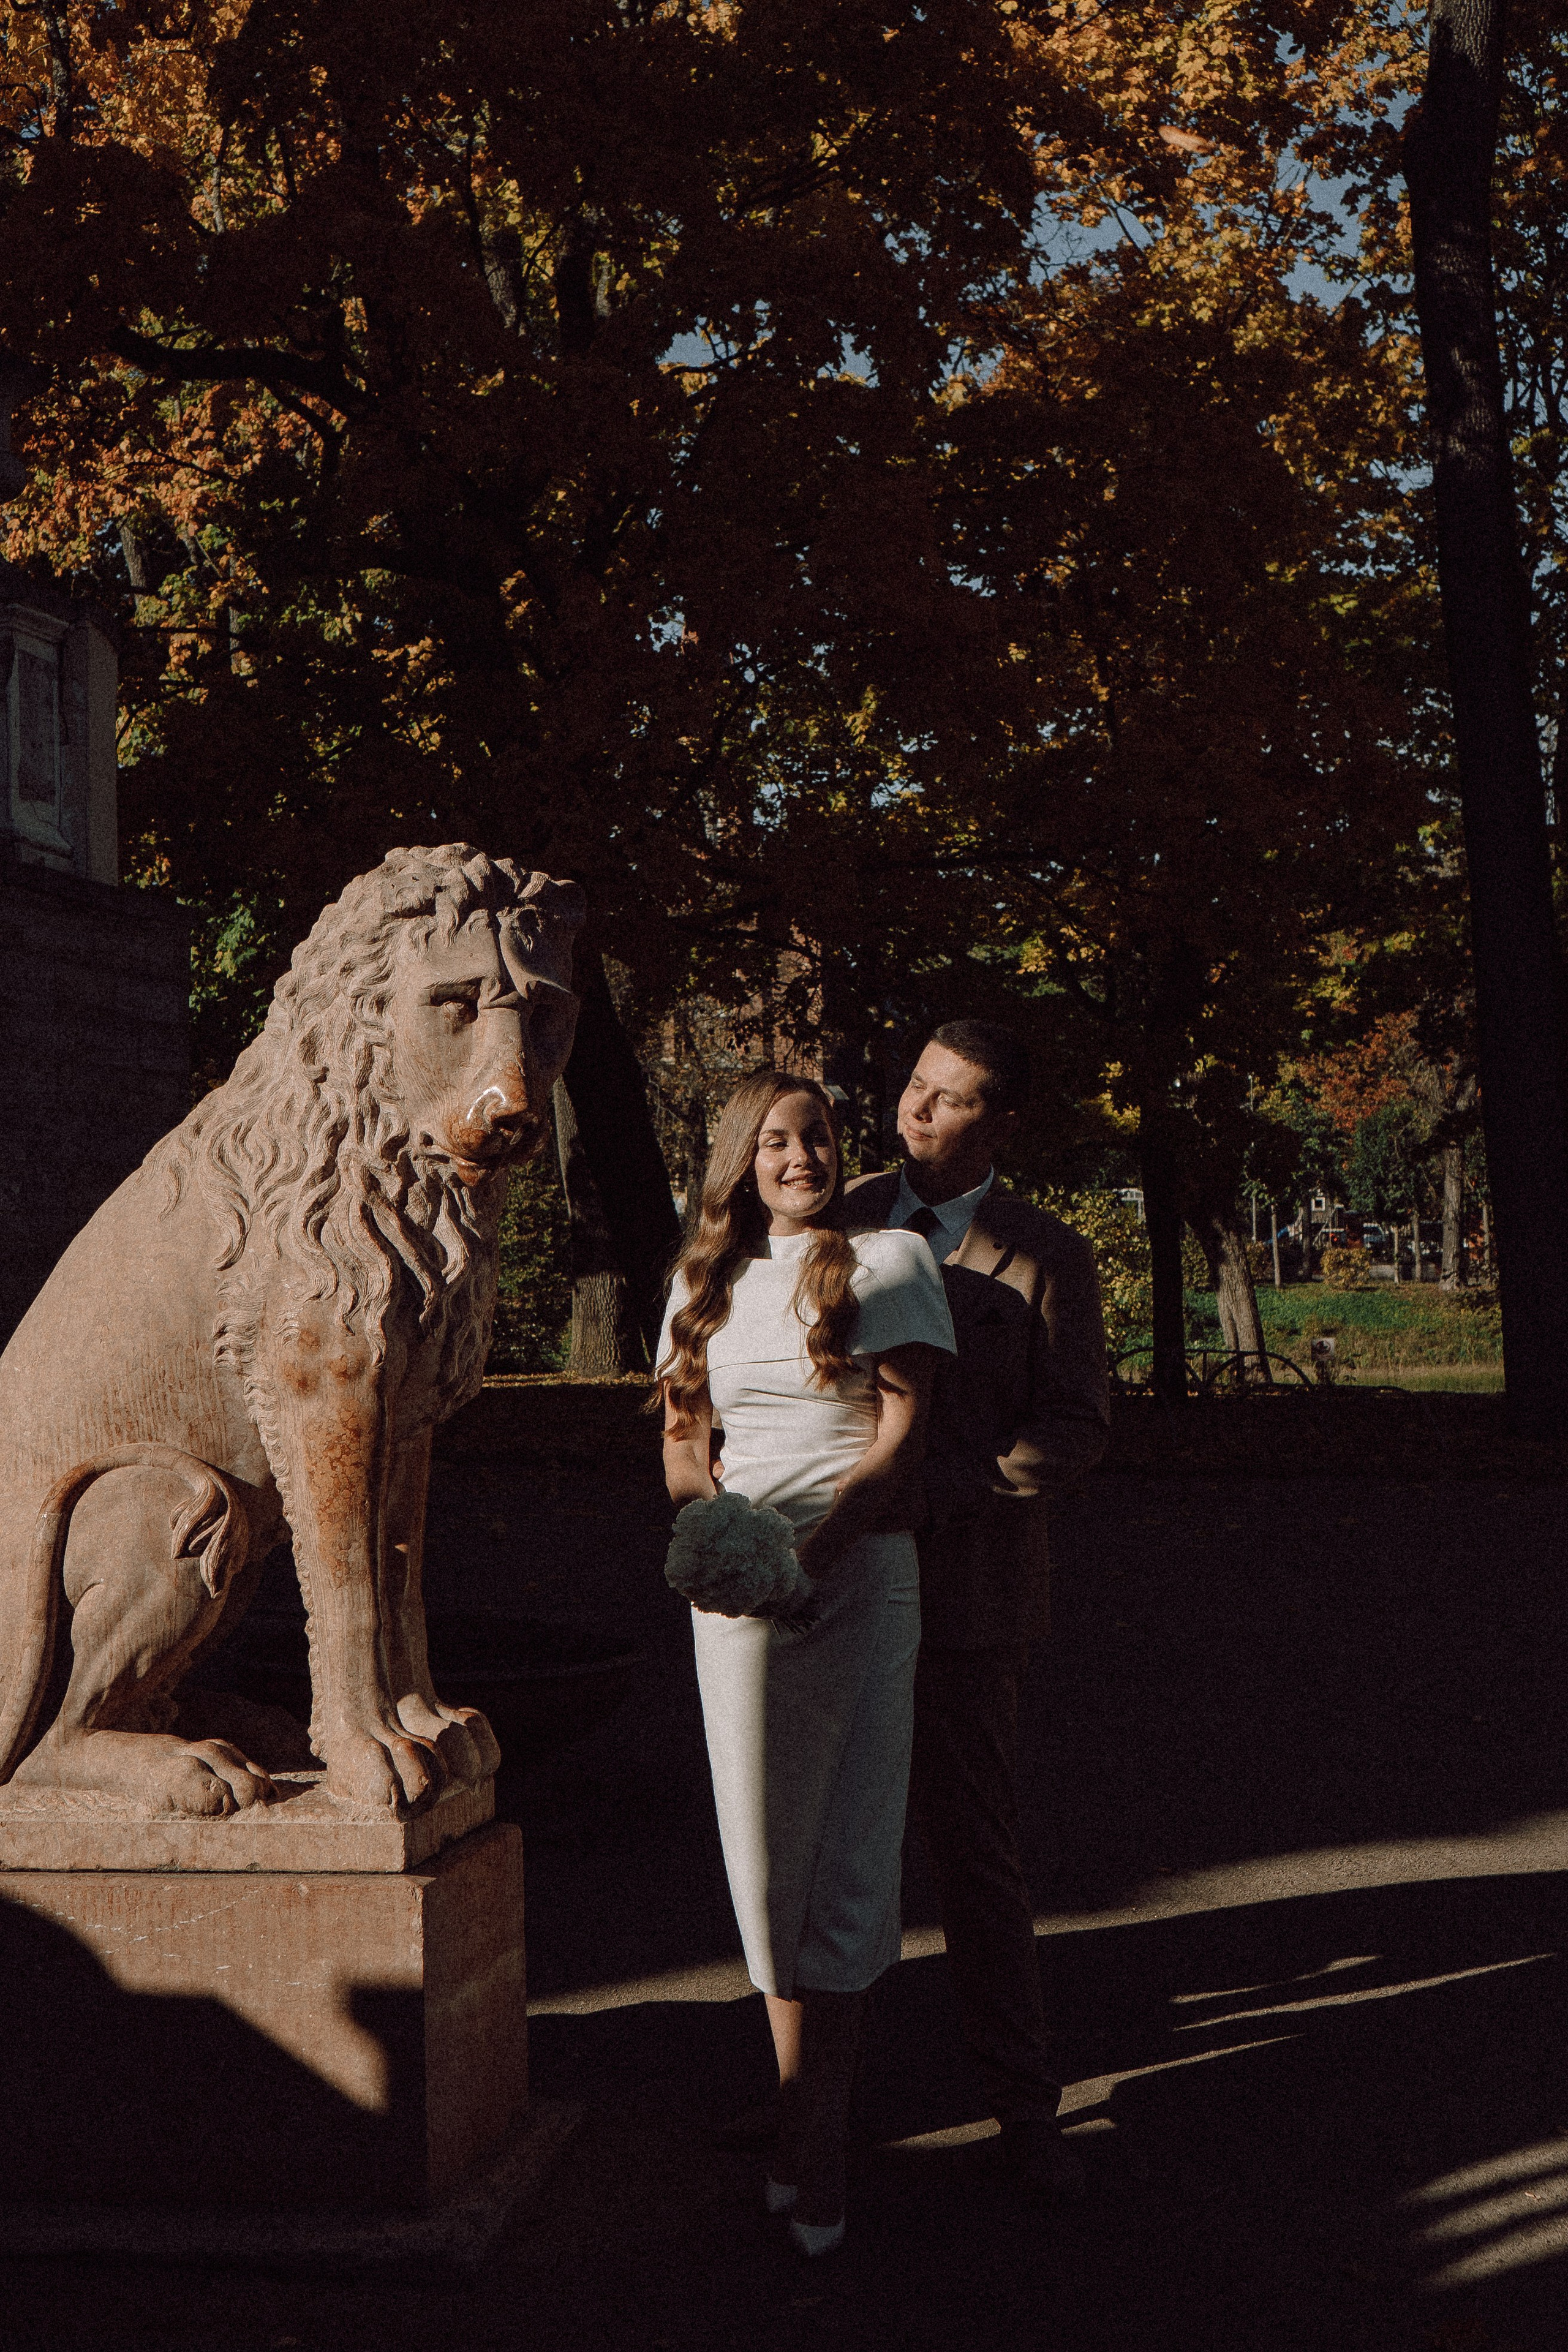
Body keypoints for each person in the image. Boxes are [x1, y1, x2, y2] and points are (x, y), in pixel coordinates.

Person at [658, 1071, 956, 2257]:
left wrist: (814, 1551)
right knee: (760, 1850)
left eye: (817, 1137)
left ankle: (819, 2135)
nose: (799, 1157)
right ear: (739, 1158)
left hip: (860, 1577)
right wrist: (718, 1541)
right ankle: (794, 2111)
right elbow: (685, 1441)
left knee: (847, 1842)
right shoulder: (698, 1282)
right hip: (739, 1600)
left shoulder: (889, 1261)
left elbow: (898, 1433)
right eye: (775, 1141)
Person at [842, 1020, 1110, 2204]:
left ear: (997, 1127)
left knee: (975, 1859)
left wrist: (956, 1492)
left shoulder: (1046, 1257)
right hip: (832, 1583)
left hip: (968, 1598)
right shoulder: (829, 1211)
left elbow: (1077, 1427)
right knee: (822, 1847)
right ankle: (811, 2101)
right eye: (914, 1087)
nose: (917, 1112)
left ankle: (1022, 2107)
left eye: (949, 1102)